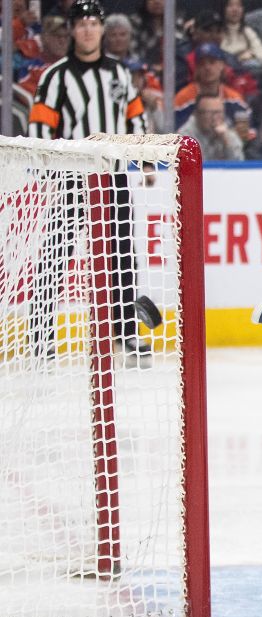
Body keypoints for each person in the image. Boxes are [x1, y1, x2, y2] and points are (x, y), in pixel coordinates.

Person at [29, 0, 150, 358]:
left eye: (93, 23)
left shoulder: (119, 73)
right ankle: (41, 335)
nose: (87, 30)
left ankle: (125, 331)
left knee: (122, 255)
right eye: (81, 24)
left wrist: (142, 157)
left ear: (100, 29)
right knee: (56, 254)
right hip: (72, 178)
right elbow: (39, 128)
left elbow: (136, 119)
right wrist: (48, 169)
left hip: (112, 178)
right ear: (72, 30)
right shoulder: (56, 76)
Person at [177, 92, 245, 161]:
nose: (215, 117)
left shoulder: (227, 132)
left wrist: (225, 141)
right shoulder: (185, 136)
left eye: (218, 112)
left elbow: (239, 163)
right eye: (210, 113)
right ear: (197, 114)